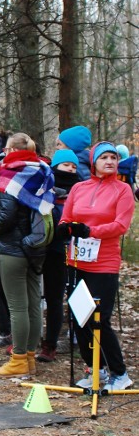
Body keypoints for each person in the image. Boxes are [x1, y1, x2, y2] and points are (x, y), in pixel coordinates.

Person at [60, 142, 135, 390]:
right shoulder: (79, 187)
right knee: (80, 317)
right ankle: (96, 369)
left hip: (104, 263)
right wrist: (65, 227)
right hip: (77, 260)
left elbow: (120, 225)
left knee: (99, 319)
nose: (110, 161)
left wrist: (90, 230)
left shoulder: (122, 190)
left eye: (113, 157)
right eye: (104, 157)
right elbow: (67, 216)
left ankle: (119, 373)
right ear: (93, 162)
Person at [0, 132, 54, 378]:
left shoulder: (9, 173)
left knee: (17, 307)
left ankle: (17, 359)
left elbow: (5, 215)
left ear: (8, 150)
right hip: (35, 247)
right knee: (34, 305)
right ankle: (29, 358)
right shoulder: (43, 170)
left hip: (12, 249)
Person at [37, 148, 81, 362]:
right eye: (66, 165)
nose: (70, 170)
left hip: (63, 252)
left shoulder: (80, 191)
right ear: (55, 167)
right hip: (39, 248)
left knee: (55, 299)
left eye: (73, 167)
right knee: (34, 297)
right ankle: (28, 340)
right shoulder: (45, 188)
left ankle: (50, 344)